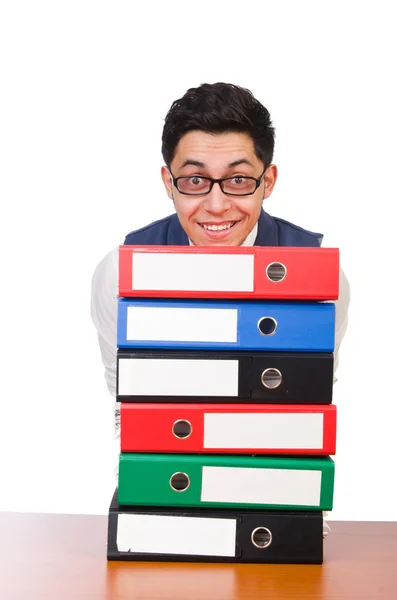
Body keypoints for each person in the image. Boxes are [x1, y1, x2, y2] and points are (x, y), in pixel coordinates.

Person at [90, 82, 350, 437]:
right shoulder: (118, 274)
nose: (216, 205)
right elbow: (124, 389)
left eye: (239, 179)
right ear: (169, 183)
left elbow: (309, 386)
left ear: (267, 182)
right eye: (195, 179)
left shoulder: (323, 280)